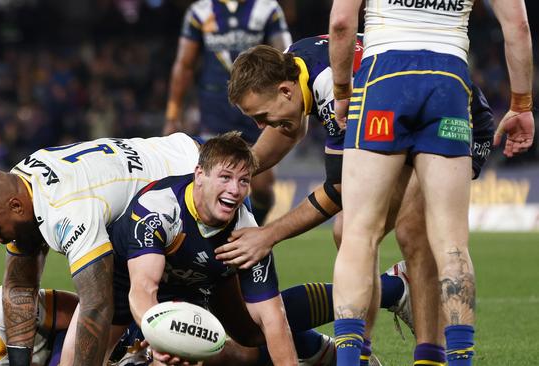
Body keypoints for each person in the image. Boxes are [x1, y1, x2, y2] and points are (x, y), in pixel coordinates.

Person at [221, 35, 495, 365]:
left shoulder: (335, 86)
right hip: (403, 116)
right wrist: (238, 169)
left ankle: (427, 354)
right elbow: (287, 128)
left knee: (409, 231)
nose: (260, 125)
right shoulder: (292, 64)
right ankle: (375, 333)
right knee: (351, 232)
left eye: (262, 116)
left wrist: (268, 235)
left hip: (453, 119)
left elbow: (339, 189)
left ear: (285, 91)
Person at [328, 0, 533, 364]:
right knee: (452, 243)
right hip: (448, 82)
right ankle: (459, 359)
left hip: (382, 76)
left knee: (360, 233)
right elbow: (517, 27)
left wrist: (342, 92)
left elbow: (343, 23)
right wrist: (520, 104)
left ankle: (348, 361)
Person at [0, 133, 201, 366]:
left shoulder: (67, 210)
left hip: (194, 180)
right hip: (165, 167)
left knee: (191, 346)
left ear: (16, 206)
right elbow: (20, 288)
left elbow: (97, 304)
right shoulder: (19, 185)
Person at [107, 131, 298, 365]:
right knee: (85, 352)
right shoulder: (159, 210)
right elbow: (143, 289)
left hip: (191, 289)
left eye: (244, 180)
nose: (235, 190)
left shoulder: (246, 235)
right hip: (121, 282)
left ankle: (335, 325)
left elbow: (273, 319)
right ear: (200, 174)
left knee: (246, 342)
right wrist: (159, 338)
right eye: (225, 177)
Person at [163, 0, 293, 225]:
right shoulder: (201, 12)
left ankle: (252, 229)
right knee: (211, 182)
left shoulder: (267, 8)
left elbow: (286, 56)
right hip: (215, 113)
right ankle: (208, 244)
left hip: (257, 116)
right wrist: (172, 115)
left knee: (262, 188)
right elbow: (184, 65)